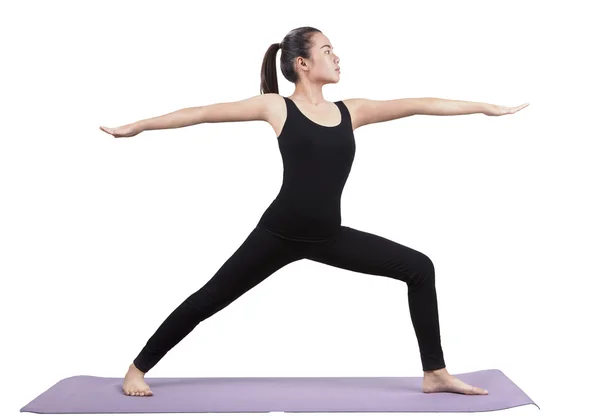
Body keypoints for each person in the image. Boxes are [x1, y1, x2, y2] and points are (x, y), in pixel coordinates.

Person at [100, 27, 528, 398]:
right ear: (302, 63)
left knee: (419, 268)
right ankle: (136, 368)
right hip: (279, 232)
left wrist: (485, 107)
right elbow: (200, 114)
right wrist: (136, 126)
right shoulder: (276, 107)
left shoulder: (351, 111)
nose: (336, 56)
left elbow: (420, 102)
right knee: (209, 300)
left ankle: (435, 373)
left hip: (327, 235)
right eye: (327, 50)